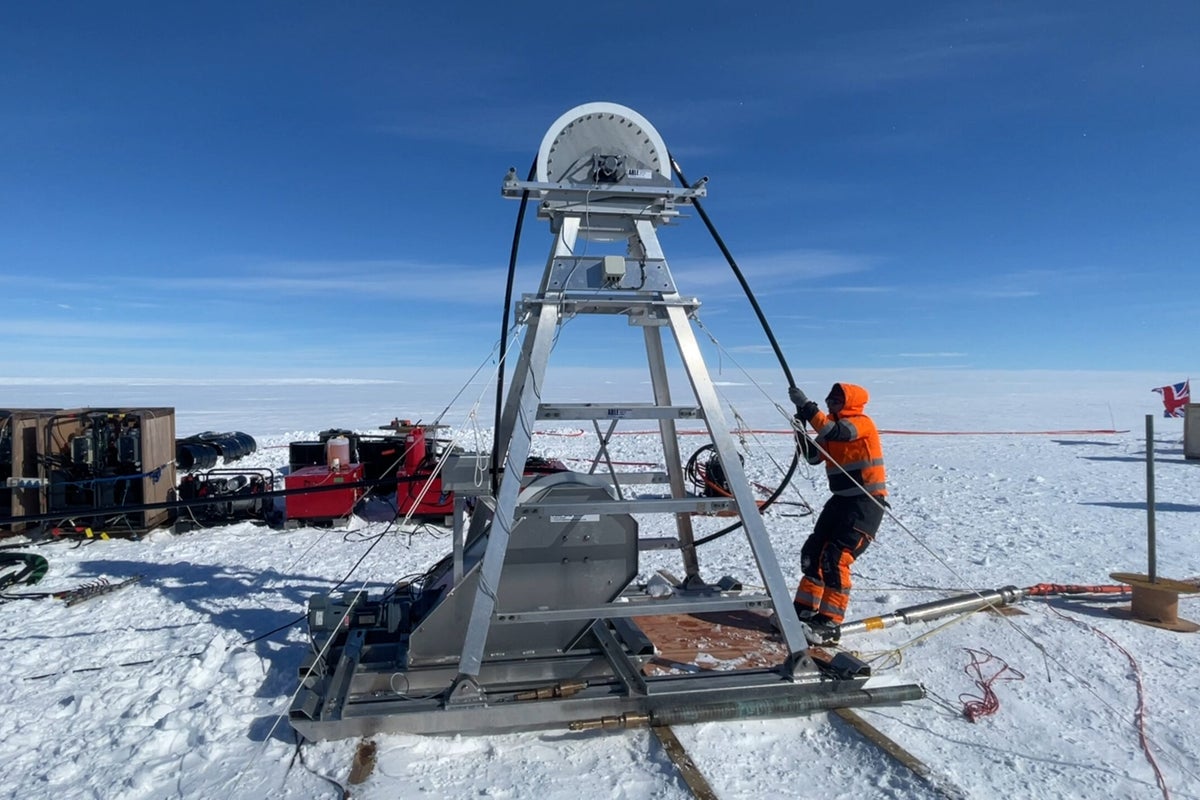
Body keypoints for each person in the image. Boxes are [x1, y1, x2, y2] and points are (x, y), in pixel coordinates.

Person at [788, 382, 888, 645]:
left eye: (836, 400)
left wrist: (807, 407)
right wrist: (800, 431)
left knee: (836, 558)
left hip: (865, 502)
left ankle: (829, 621)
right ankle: (803, 610)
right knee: (814, 551)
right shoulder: (830, 427)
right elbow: (813, 457)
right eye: (828, 400)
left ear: (849, 403)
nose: (830, 404)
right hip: (840, 500)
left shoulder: (860, 424)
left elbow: (837, 433)